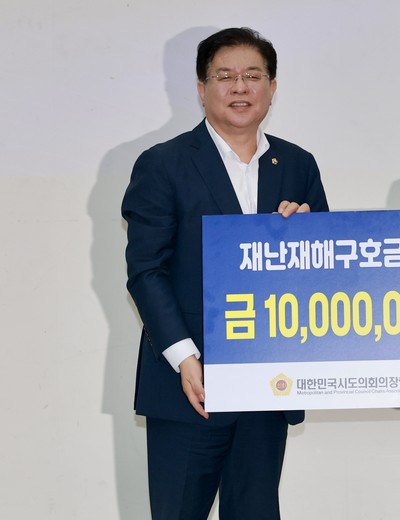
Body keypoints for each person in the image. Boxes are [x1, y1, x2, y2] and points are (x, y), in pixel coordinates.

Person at [121, 27, 328, 519]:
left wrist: (309, 237)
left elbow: (325, 268)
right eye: (225, 76)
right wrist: (184, 358)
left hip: (268, 381)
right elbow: (146, 271)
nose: (240, 87)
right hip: (189, 384)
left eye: (253, 76)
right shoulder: (163, 164)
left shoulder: (297, 164)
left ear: (272, 88)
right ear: (202, 88)